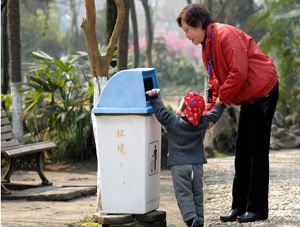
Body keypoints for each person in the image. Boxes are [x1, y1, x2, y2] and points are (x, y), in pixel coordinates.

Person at [176, 3, 279, 223]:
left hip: (264, 90)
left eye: (187, 30)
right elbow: (213, 82)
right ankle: (238, 207)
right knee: (241, 150)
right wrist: (209, 113)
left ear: (199, 24)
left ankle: (257, 209)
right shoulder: (206, 46)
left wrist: (221, 101)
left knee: (256, 151)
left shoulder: (225, 35)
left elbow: (238, 72)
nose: (186, 36)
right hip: (249, 96)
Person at [148, 89, 225, 227]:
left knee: (184, 193)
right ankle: (199, 220)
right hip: (196, 165)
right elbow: (213, 115)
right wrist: (220, 104)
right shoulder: (202, 122)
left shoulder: (173, 122)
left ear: (184, 112)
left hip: (179, 165)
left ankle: (190, 218)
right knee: (197, 193)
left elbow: (161, 113)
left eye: (180, 104)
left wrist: (154, 98)